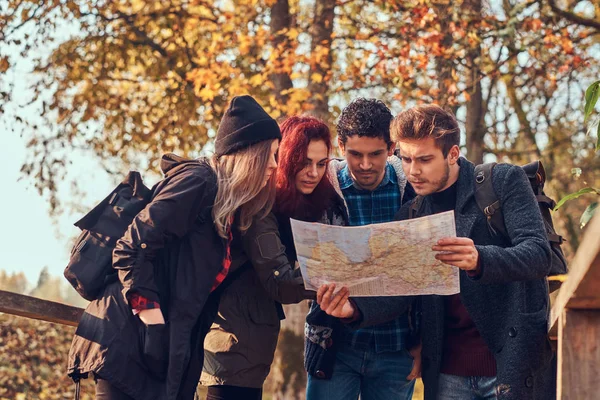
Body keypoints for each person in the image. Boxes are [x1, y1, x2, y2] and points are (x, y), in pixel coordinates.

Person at [318, 104, 555, 400]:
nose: (413, 171)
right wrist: (353, 309)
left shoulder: (502, 181)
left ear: (453, 154)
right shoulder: (410, 213)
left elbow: (538, 254)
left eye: (425, 159)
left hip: (510, 363)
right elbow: (400, 289)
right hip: (447, 374)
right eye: (405, 159)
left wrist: (480, 259)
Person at [68, 95, 288, 400]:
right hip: (128, 341)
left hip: (157, 353)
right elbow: (130, 249)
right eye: (270, 154)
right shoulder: (199, 181)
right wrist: (154, 324)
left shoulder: (226, 209)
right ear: (247, 154)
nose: (275, 165)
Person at [200, 115, 347, 400]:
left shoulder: (295, 203)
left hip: (249, 346)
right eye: (304, 162)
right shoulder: (259, 204)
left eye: (320, 164)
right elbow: (279, 281)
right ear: (284, 157)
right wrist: (337, 277)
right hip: (230, 347)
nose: (313, 172)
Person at [305, 98, 417, 400]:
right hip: (335, 345)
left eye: (375, 154)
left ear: (392, 147)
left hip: (397, 346)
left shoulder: (414, 192)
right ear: (341, 146)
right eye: (355, 154)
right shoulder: (321, 190)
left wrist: (424, 341)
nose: (365, 165)